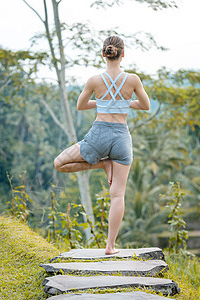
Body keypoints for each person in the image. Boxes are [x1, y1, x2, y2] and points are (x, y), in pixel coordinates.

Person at [54, 36, 150, 255]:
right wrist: (123, 102)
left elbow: (81, 105)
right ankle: (110, 246)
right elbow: (145, 105)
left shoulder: (94, 81)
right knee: (118, 195)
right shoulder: (133, 79)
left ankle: (101, 164)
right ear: (122, 54)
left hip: (99, 134)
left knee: (59, 163)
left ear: (103, 54)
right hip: (122, 139)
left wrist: (104, 101)